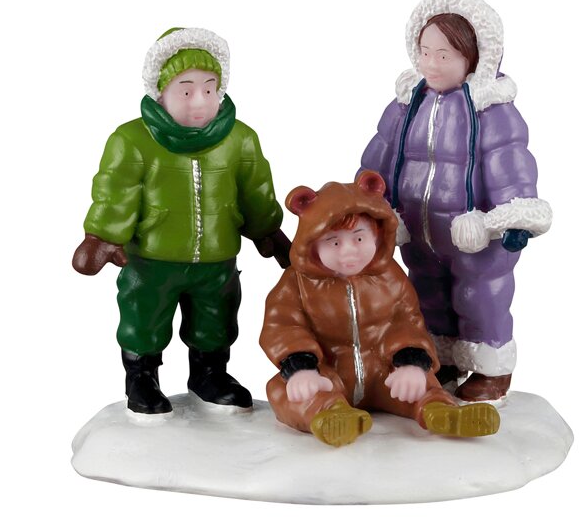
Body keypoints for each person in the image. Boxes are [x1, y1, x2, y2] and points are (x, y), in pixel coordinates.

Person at [73, 27, 288, 416]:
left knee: (217, 317)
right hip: (152, 259)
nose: (200, 101)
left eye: (209, 89)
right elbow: (116, 191)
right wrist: (103, 236)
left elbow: (255, 188)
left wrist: (267, 230)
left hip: (217, 259)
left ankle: (210, 374)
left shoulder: (239, 139)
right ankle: (141, 376)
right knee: (144, 316)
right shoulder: (133, 140)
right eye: (186, 91)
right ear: (161, 92)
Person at [360, 0, 552, 401]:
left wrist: (503, 221)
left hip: (476, 237)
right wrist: (374, 207)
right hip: (419, 232)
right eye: (425, 52)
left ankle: (491, 368)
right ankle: (440, 357)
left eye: (444, 55)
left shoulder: (492, 112)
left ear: (473, 57)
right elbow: (380, 157)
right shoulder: (405, 104)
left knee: (479, 297)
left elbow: (510, 165)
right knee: (425, 295)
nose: (431, 63)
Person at [260, 171, 499, 447]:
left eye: (359, 239)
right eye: (334, 242)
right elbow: (282, 325)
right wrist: (301, 367)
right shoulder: (296, 283)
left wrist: (410, 362)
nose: (349, 252)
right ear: (311, 244)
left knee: (421, 382)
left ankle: (440, 412)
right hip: (327, 373)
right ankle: (331, 416)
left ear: (376, 234)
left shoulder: (390, 276)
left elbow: (406, 319)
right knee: (283, 390)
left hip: (383, 373)